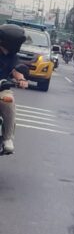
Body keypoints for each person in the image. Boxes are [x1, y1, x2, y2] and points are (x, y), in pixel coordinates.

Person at [0, 24, 29, 154]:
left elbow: (16, 70)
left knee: (9, 100)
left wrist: (21, 79)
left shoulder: (11, 56)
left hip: (1, 89)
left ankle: (7, 138)